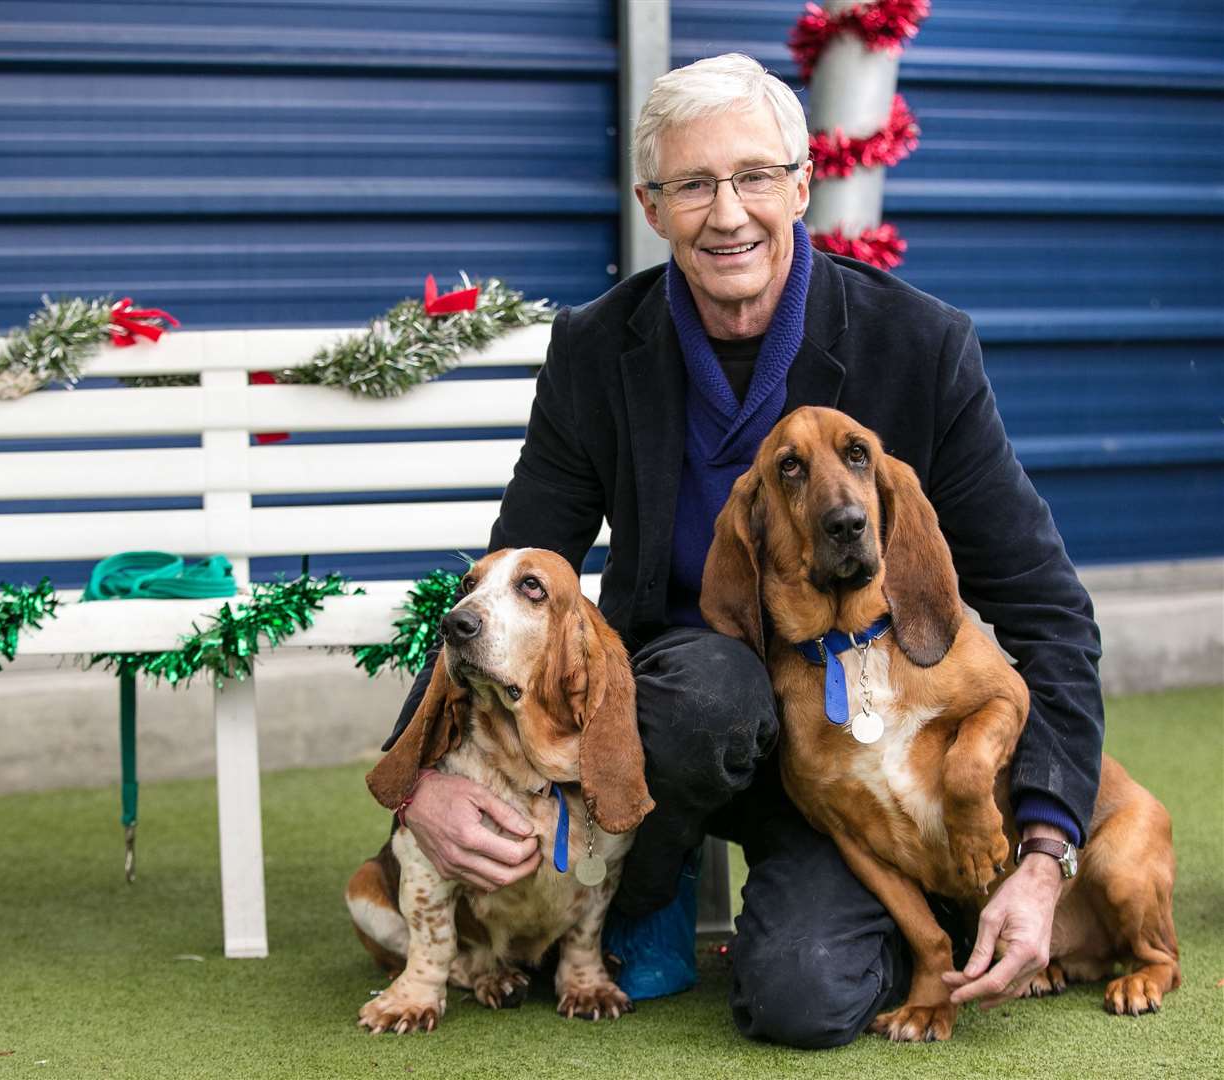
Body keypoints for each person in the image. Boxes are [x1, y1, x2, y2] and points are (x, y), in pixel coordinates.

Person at [383, 53, 1103, 1048]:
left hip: (854, 762)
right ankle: (647, 881)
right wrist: (417, 776)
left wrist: (1045, 847)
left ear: (803, 184)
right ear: (651, 204)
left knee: (802, 1001)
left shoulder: (919, 347)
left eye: (756, 177)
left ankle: (895, 906)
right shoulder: (598, 348)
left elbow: (1046, 607)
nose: (728, 214)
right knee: (715, 691)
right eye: (692, 185)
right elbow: (518, 562)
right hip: (680, 720)